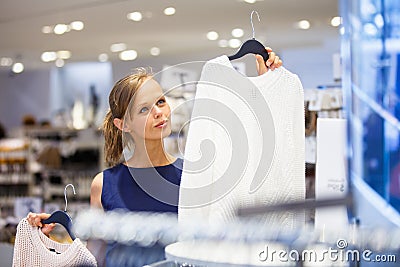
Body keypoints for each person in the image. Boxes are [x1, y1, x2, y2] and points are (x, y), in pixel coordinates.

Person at [27, 48, 283, 266]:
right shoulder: (104, 184)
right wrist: (56, 233)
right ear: (123, 124)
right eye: (145, 109)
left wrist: (265, 87)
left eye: (161, 101)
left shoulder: (193, 176)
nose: (160, 113)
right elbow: (96, 255)